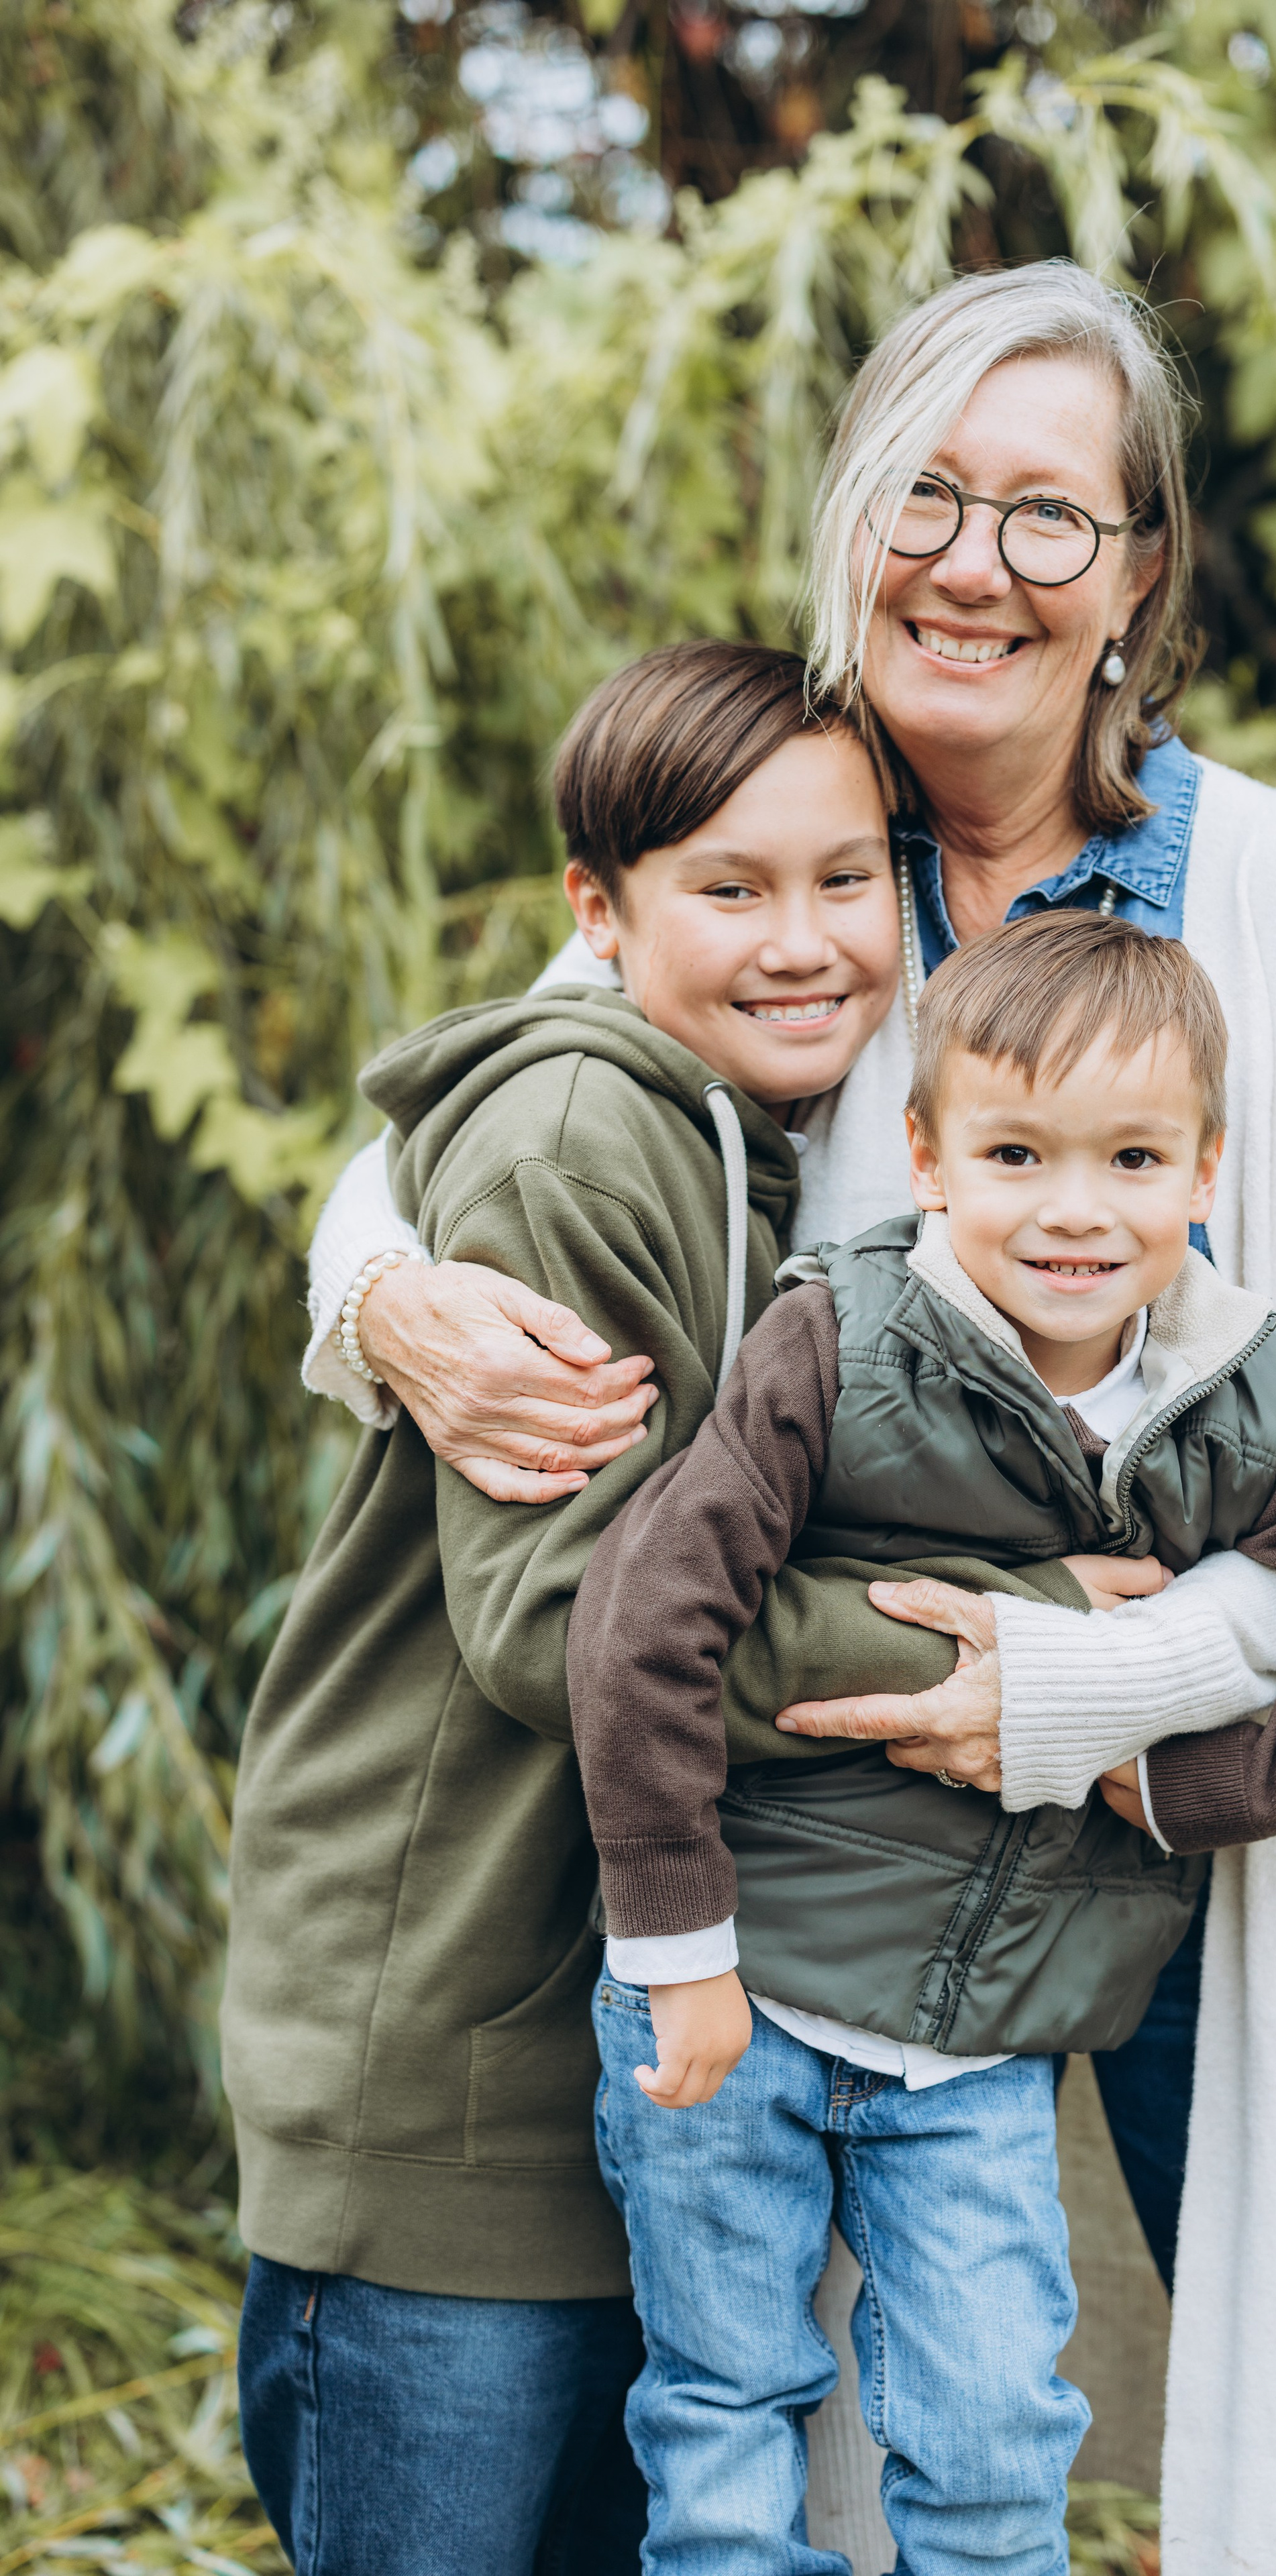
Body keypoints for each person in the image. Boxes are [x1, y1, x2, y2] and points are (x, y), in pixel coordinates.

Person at [301, 262, 1276, 2575]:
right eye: (925, 494)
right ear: (853, 526)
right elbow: (487, 1112)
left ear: (1141, 574)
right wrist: (380, 1292)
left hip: (1194, 1799)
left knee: (1256, 2471)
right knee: (853, 2456)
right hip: (841, 1863)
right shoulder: (793, 853)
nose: (977, 560)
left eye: (1053, 516)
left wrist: (1066, 1691)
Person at [227, 642, 1088, 2576]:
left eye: (850, 878)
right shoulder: (581, 1144)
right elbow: (571, 1627)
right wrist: (1016, 1655)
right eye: (730, 886)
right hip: (453, 2064)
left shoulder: (757, 1158)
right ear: (594, 917)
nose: (807, 942)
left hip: (639, 2067)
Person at [566, 912, 1276, 2575]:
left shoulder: (1234, 1410)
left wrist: (1156, 1778)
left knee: (994, 2446)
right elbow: (643, 1624)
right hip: (736, 1989)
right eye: (1013, 1152)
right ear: (923, 1158)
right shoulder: (834, 1349)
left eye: (1130, 1155)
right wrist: (674, 1941)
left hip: (981, 2053)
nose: (1073, 1207)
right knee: (722, 2420)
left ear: (1203, 1166)